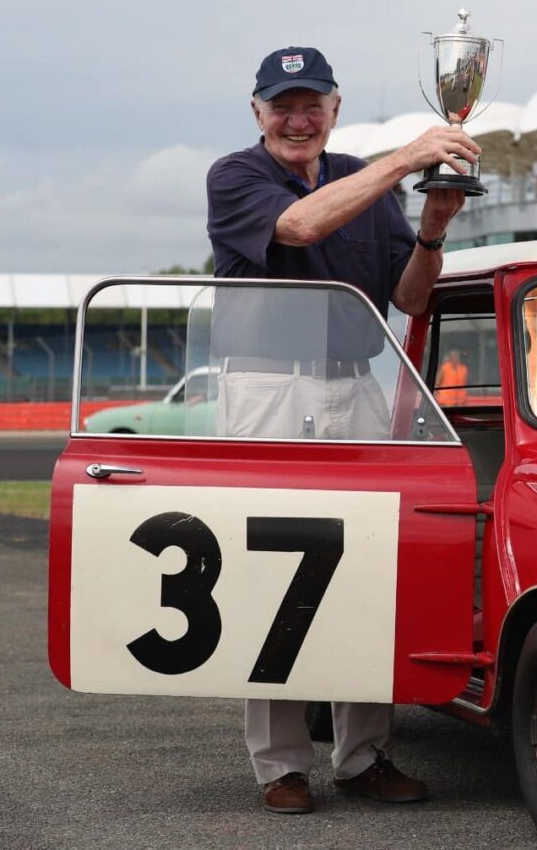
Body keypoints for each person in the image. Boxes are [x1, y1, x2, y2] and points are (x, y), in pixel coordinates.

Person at [205, 46, 479, 815]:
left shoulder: (368, 178)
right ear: (257, 112)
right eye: (282, 105)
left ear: (334, 107)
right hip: (266, 384)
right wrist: (405, 160)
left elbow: (411, 300)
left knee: (363, 570)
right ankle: (280, 764)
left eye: (311, 103)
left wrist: (430, 228)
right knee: (271, 572)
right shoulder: (237, 175)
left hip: (354, 385)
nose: (298, 118)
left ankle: (362, 755)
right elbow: (294, 227)